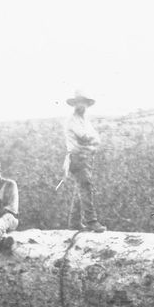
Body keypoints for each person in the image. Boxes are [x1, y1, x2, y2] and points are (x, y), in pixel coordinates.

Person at [64, 89, 107, 233]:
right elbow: (85, 137)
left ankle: (74, 221)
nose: (81, 106)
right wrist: (91, 140)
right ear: (74, 105)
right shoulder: (72, 121)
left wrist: (92, 140)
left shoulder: (86, 121)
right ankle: (91, 221)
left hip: (87, 157)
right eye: (79, 103)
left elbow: (96, 138)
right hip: (77, 157)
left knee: (80, 187)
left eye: (84, 103)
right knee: (85, 186)